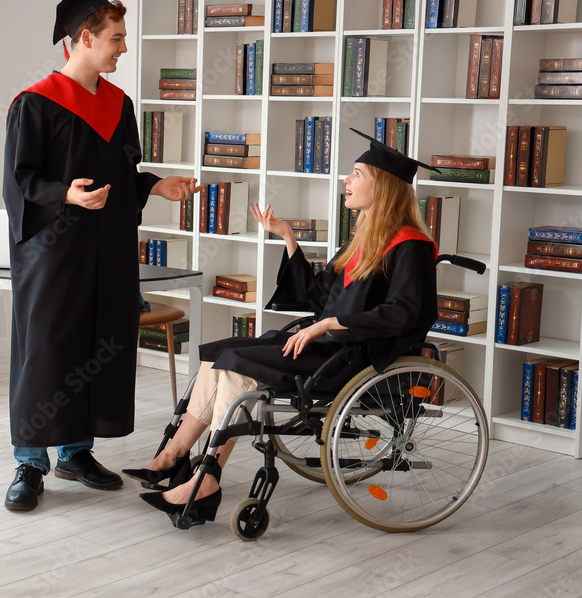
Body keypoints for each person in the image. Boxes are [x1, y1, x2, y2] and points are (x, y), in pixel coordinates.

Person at [125, 128, 441, 526]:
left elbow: (406, 313)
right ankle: (171, 459)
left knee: (237, 366)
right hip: (324, 345)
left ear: (385, 187)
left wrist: (331, 322)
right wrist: (289, 238)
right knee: (218, 355)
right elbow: (318, 296)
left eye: (356, 174)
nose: (346, 180)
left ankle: (204, 479)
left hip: (352, 358)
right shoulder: (361, 241)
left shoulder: (409, 246)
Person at [2, 0, 202, 512]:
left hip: (108, 254)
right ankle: (29, 461)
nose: (123, 48)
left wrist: (159, 185)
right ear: (85, 39)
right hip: (53, 256)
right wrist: (66, 195)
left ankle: (77, 451)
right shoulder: (35, 105)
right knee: (46, 353)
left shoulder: (120, 106)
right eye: (116, 37)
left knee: (94, 348)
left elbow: (125, 175)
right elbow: (20, 184)